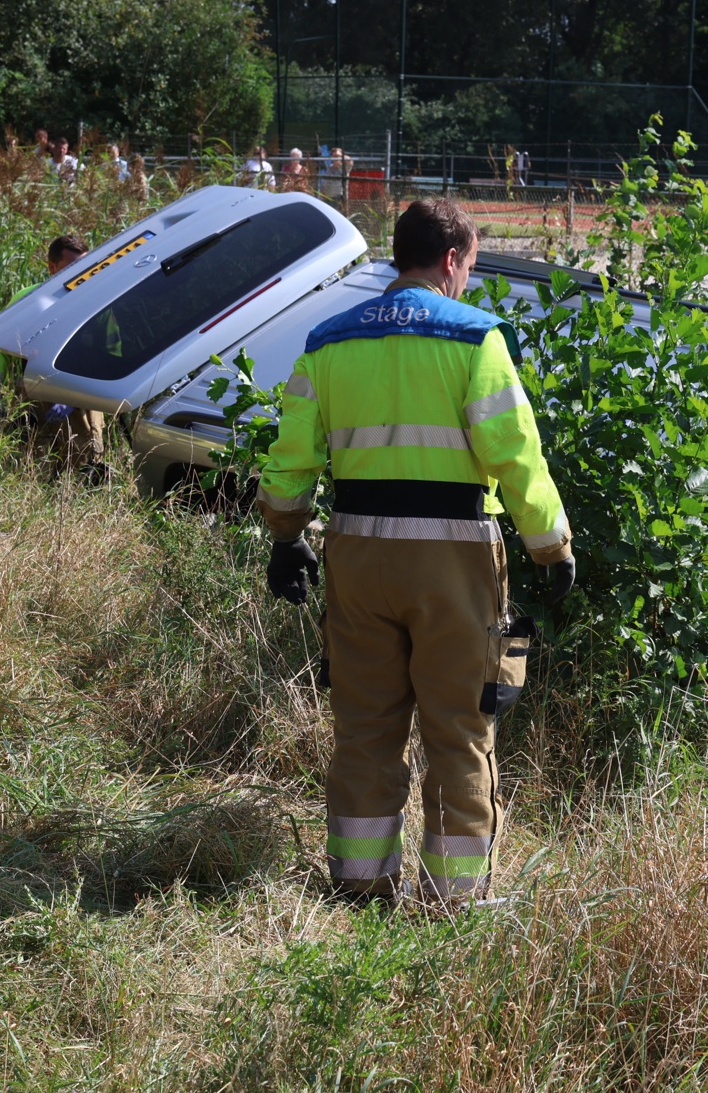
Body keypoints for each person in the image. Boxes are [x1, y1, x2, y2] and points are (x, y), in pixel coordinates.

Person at [255, 198, 575, 907]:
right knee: (459, 731)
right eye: (468, 266)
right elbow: (515, 454)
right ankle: (453, 901)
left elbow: (293, 456)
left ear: (399, 256)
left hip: (357, 554)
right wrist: (550, 547)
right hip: (453, 558)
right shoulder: (476, 339)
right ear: (453, 260)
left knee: (365, 728)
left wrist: (285, 535)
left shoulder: (328, 341)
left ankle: (359, 887)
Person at [0, 235, 108, 476]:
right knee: (32, 466)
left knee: (86, 464)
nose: (79, 274)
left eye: (84, 266)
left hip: (82, 398)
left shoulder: (99, 304)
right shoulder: (29, 300)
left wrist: (74, 396)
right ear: (51, 267)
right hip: (34, 396)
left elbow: (111, 355)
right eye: (71, 267)